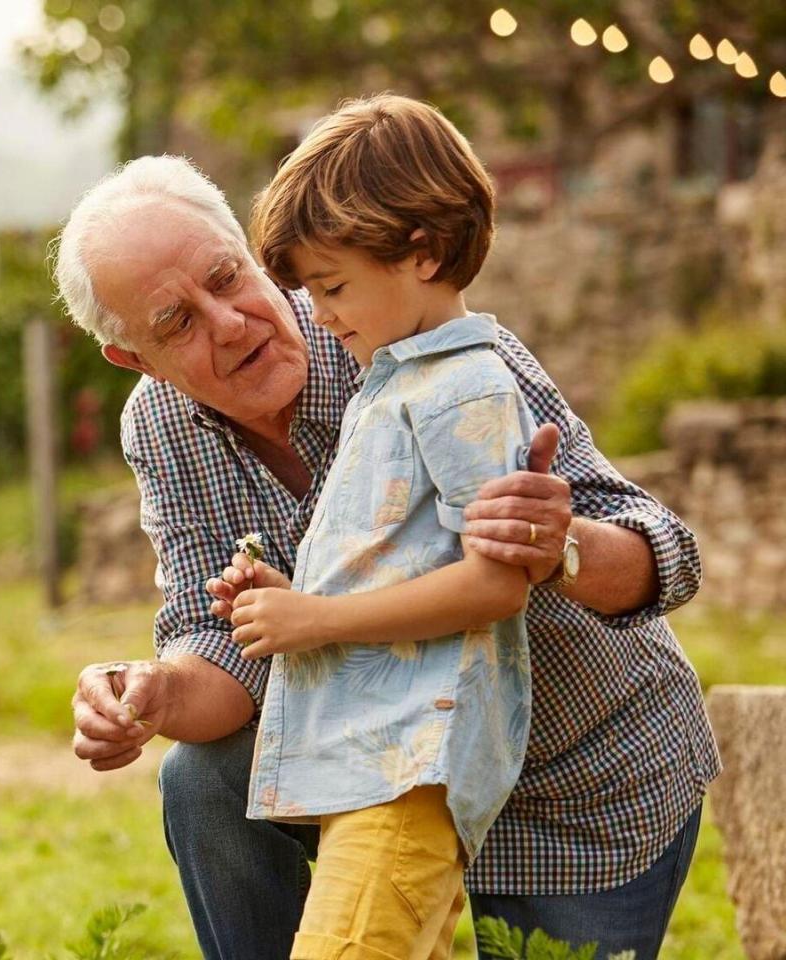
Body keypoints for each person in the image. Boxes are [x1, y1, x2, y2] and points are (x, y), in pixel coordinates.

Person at [54, 144, 718, 957]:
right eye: (176, 323)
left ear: (254, 253)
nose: (228, 324)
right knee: (202, 780)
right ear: (132, 358)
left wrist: (560, 546)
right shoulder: (159, 425)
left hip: (572, 773)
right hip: (378, 775)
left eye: (227, 279)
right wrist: (152, 691)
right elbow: (222, 646)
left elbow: (667, 556)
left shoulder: (418, 332)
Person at [224, 93, 537, 959]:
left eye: (332, 286)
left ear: (423, 254)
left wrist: (316, 622)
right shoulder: (393, 382)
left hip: (411, 767)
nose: (319, 315)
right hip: (371, 766)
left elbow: (497, 580)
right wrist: (291, 600)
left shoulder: (466, 387)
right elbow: (401, 564)